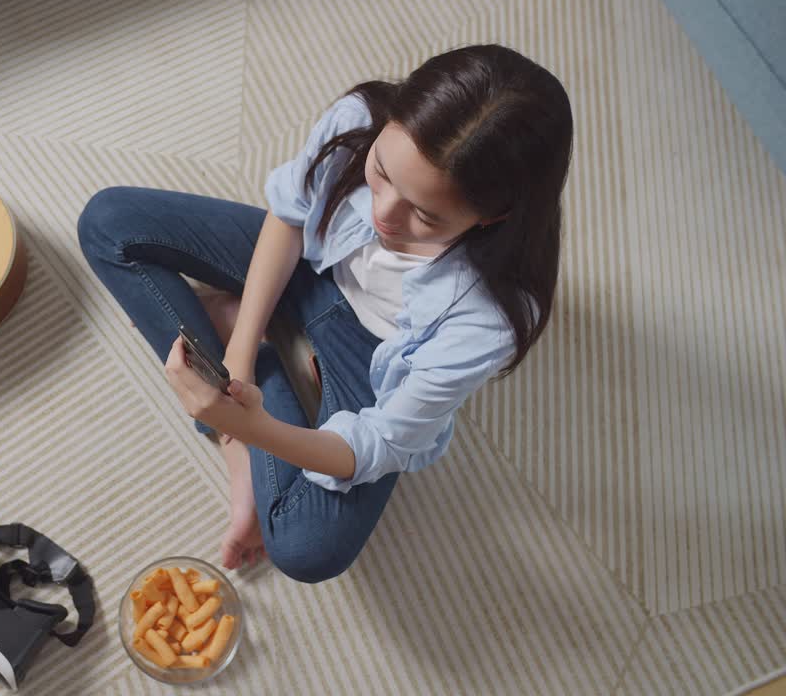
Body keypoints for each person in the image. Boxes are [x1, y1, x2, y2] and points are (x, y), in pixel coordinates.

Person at [77, 44, 573, 582]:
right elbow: (291, 217)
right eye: (381, 172)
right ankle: (248, 349)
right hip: (311, 264)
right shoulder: (360, 121)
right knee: (108, 221)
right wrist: (236, 369)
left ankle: (261, 349)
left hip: (371, 351)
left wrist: (248, 422)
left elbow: (381, 443)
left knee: (307, 548)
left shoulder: (488, 318)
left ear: (491, 216)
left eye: (425, 216)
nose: (384, 216)